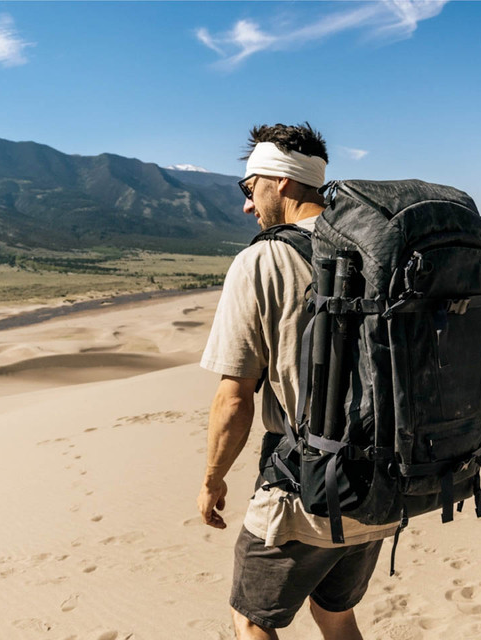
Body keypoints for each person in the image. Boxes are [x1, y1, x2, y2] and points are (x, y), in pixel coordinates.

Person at [196, 123, 397, 640]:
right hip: (383, 485)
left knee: (251, 618)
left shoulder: (260, 259)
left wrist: (212, 478)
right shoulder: (376, 253)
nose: (246, 205)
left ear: (281, 182)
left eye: (249, 187)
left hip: (306, 489)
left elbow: (235, 398)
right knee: (335, 613)